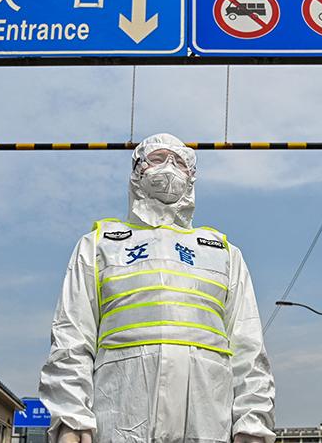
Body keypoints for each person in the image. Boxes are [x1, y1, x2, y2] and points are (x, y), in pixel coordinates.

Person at [39, 133, 275, 443]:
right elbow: (72, 336)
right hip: (120, 418)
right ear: (137, 171)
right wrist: (71, 416)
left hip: (205, 421)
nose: (169, 167)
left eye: (179, 161)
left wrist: (252, 424)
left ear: (192, 177)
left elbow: (248, 346)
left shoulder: (222, 252)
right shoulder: (100, 245)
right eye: (158, 158)